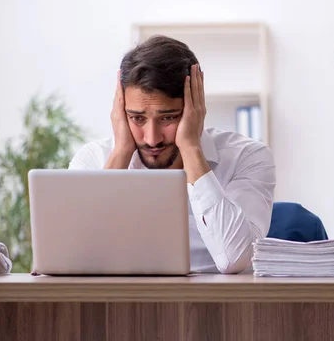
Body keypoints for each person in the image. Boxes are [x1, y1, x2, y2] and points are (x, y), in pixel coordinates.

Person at [68, 35, 276, 274]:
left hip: (219, 306)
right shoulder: (93, 159)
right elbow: (75, 257)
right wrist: (122, 153)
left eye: (168, 117)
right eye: (137, 118)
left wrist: (190, 149)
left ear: (195, 106)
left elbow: (234, 259)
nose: (152, 138)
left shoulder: (247, 157)